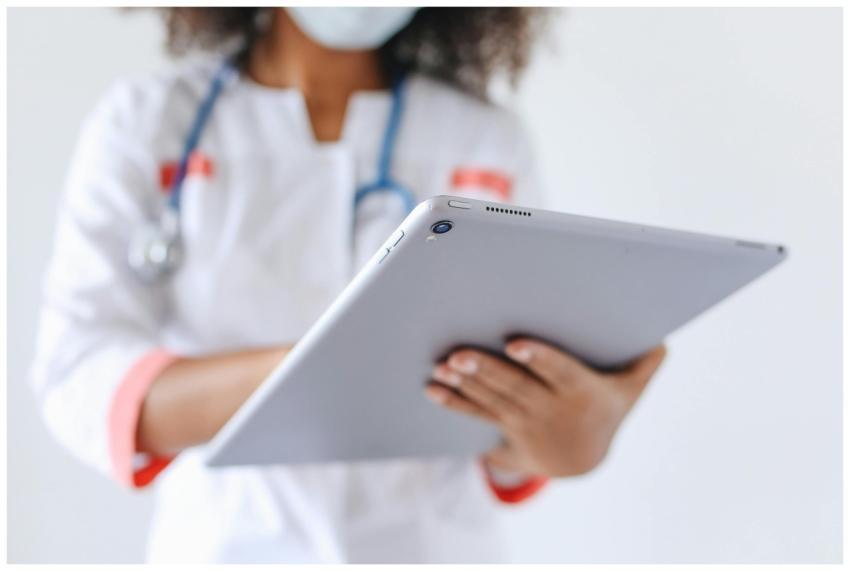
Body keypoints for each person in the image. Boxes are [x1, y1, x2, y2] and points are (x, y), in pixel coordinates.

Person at [31, 7, 666, 563]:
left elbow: (507, 410)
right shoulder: (145, 123)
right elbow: (78, 373)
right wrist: (317, 368)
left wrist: (563, 437)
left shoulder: (485, 138)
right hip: (229, 548)